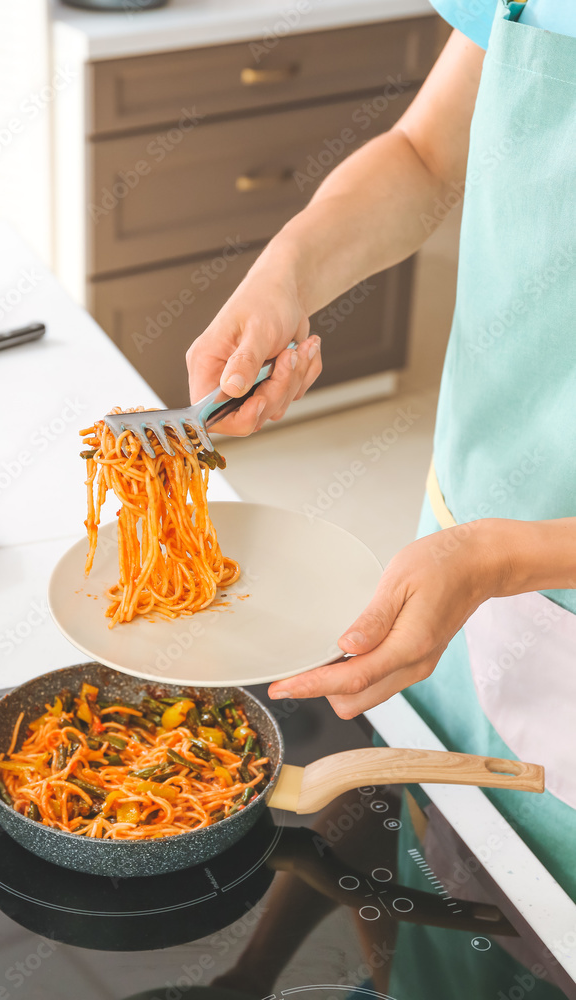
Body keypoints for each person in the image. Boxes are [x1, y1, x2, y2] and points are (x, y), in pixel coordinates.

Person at [186, 0, 576, 898]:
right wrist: (285, 271)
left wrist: (496, 557)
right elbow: (424, 154)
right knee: (439, 874)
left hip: (494, 560)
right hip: (462, 542)